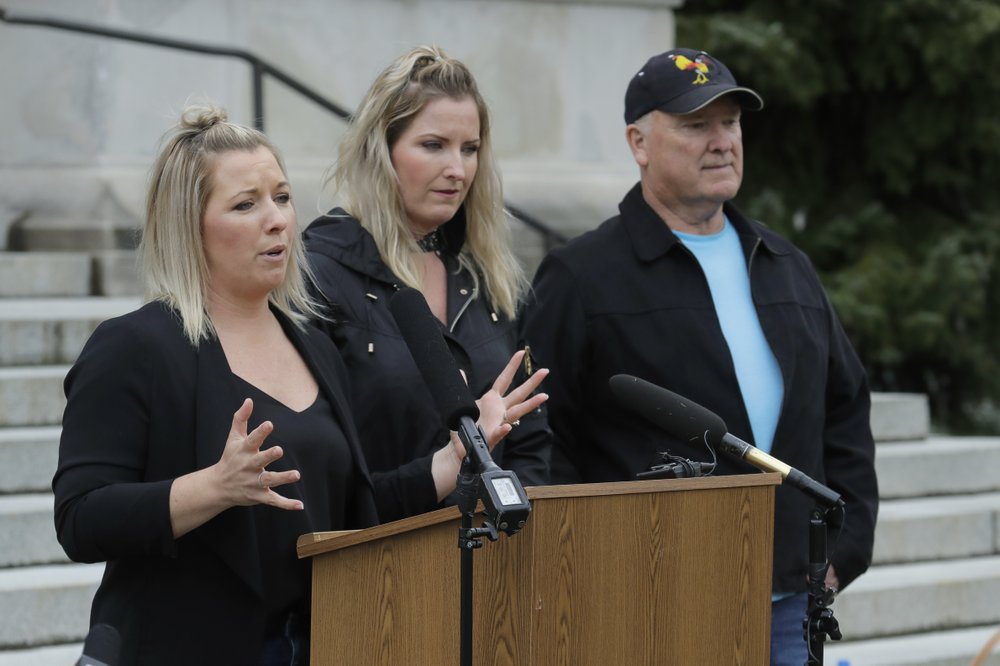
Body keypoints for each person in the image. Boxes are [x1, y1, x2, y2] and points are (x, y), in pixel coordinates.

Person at [52, 106, 548, 666]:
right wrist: (212, 487)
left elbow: (348, 513)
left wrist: (452, 460)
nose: (277, 220)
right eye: (245, 204)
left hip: (314, 645)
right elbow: (80, 519)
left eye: (282, 198)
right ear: (188, 226)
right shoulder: (134, 347)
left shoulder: (310, 342)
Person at [522, 48, 879, 665]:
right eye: (695, 125)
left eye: (731, 123)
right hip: (653, 602)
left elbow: (845, 412)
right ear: (639, 141)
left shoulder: (785, 265)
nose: (721, 142)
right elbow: (540, 435)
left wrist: (842, 553)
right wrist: (584, 568)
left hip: (791, 603)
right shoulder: (580, 276)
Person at [304, 45, 552, 520]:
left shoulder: (491, 277)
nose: (457, 170)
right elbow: (323, 468)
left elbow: (534, 439)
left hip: (497, 560)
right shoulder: (321, 273)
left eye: (470, 149)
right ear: (382, 150)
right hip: (377, 563)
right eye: (433, 145)